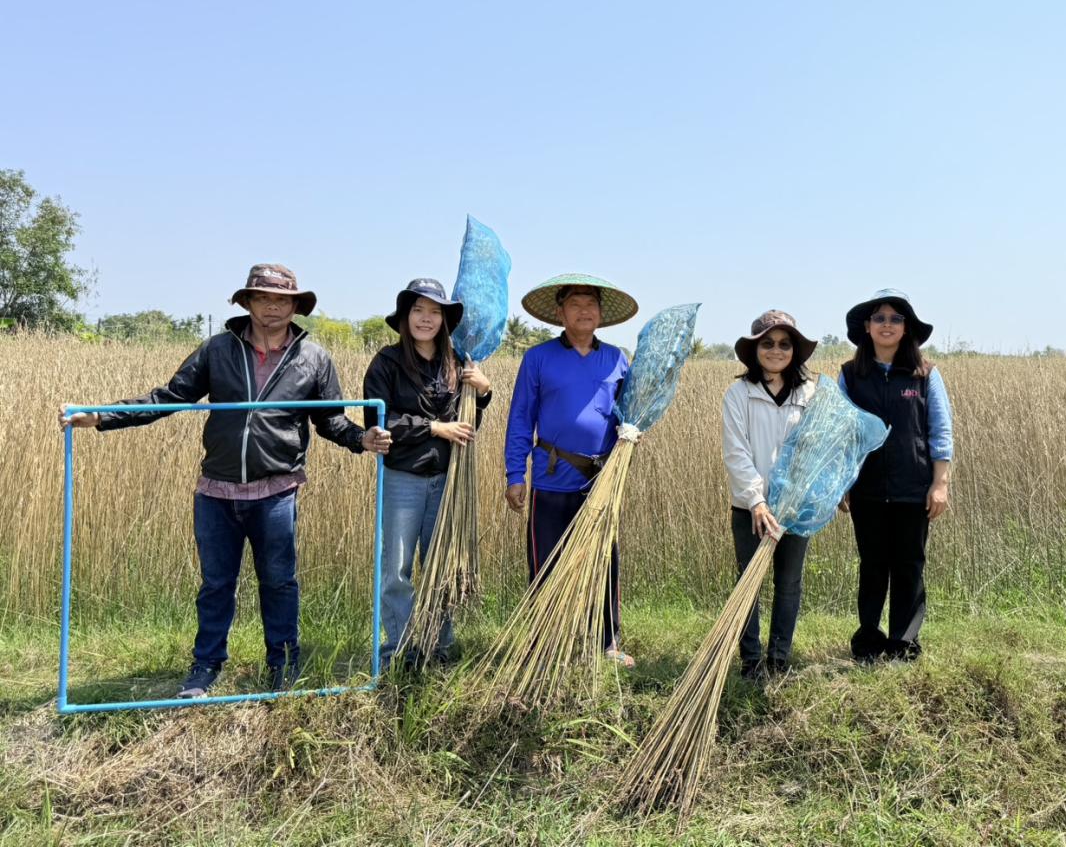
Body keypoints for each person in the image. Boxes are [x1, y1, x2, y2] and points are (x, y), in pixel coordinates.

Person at [58, 264, 392, 698]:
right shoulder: (217, 350)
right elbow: (169, 398)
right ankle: (205, 668)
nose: (273, 307)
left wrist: (361, 439)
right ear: (247, 303)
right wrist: (101, 416)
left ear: (295, 306)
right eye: (263, 298)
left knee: (279, 581)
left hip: (277, 490)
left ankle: (284, 666)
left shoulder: (314, 358)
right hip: (216, 491)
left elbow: (329, 420)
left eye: (282, 300)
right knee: (216, 584)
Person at [503, 274, 637, 666]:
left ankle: (606, 643)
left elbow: (629, 413)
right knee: (545, 563)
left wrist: (633, 432)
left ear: (601, 314)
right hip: (550, 478)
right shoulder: (538, 358)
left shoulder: (617, 359)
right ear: (560, 312)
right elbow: (520, 418)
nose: (584, 310)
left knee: (603, 561)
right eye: (575, 303)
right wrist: (515, 475)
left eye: (591, 303)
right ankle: (544, 644)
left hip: (600, 481)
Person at [362, 278, 492, 669]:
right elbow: (379, 422)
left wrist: (483, 393)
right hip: (403, 479)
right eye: (418, 310)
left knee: (441, 566)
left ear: (445, 320)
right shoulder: (386, 362)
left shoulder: (458, 365)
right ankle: (399, 652)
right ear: (405, 317)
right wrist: (435, 428)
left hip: (448, 482)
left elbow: (469, 426)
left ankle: (440, 646)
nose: (426, 319)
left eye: (435, 312)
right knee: (397, 570)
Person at [839, 288, 953, 663]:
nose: (887, 325)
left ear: (906, 329)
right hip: (867, 490)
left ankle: (904, 644)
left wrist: (940, 484)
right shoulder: (851, 375)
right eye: (879, 318)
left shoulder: (925, 375)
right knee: (872, 566)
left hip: (913, 489)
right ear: (867, 328)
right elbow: (841, 434)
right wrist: (842, 483)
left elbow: (940, 433)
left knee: (909, 566)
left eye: (895, 318)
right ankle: (869, 642)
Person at [721, 310, 819, 680]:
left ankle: (779, 658)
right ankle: (750, 660)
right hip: (750, 508)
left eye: (784, 344)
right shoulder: (739, 395)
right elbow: (736, 452)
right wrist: (757, 501)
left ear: (794, 350)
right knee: (749, 581)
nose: (776, 350)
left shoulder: (810, 395)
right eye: (767, 343)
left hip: (795, 509)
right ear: (754, 350)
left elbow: (816, 449)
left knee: (789, 582)